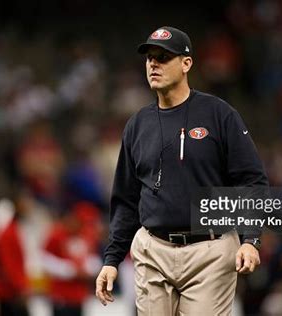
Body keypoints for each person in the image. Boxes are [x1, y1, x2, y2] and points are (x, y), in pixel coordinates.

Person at [95, 26, 268, 315]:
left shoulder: (218, 114)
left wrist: (250, 239)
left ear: (186, 63)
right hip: (153, 249)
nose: (153, 64)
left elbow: (251, 179)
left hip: (210, 251)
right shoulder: (138, 125)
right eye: (150, 58)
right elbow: (125, 199)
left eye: (163, 57)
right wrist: (112, 260)